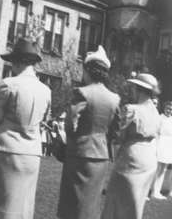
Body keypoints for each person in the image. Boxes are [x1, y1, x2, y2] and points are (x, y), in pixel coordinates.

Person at [0, 38, 51, 219]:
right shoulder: (45, 90)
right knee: (21, 208)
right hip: (32, 152)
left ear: (17, 62)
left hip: (7, 149)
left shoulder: (8, 84)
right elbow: (43, 119)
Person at [57, 46, 120, 219]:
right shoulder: (114, 98)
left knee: (71, 205)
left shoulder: (82, 93)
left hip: (79, 153)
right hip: (101, 156)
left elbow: (70, 124)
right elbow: (116, 131)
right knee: (90, 206)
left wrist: (69, 138)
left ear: (88, 70)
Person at [101, 73, 161, 219]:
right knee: (136, 202)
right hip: (149, 157)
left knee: (116, 198)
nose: (131, 90)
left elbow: (119, 137)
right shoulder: (155, 111)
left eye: (133, 87)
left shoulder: (132, 109)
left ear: (139, 89)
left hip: (132, 156)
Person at [152, 100, 172, 199]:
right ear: (164, 108)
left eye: (171, 109)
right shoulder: (159, 118)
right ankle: (152, 191)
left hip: (169, 146)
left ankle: (157, 191)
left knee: (163, 170)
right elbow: (156, 133)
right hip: (160, 144)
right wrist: (156, 146)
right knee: (157, 169)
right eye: (168, 108)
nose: (169, 111)